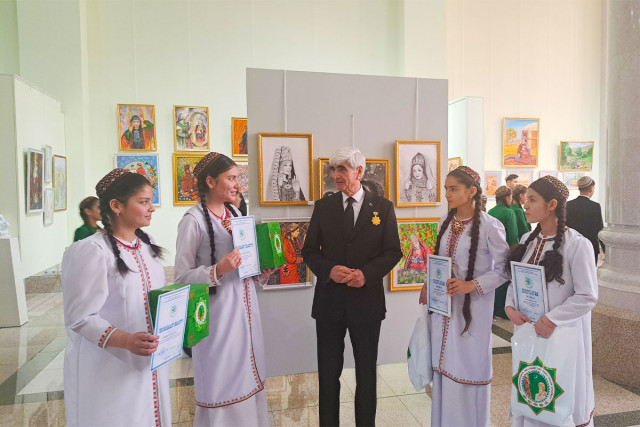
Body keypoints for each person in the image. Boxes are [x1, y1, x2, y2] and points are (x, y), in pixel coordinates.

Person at [61, 169, 171, 426]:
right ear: (116, 206)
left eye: (151, 201)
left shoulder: (147, 244)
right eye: (143, 202)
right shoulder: (91, 250)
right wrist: (126, 340)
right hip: (109, 364)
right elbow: (80, 318)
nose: (151, 208)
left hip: (148, 360)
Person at [174, 152, 276, 426]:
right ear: (210, 181)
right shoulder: (193, 220)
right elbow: (181, 278)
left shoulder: (235, 213)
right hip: (218, 317)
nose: (237, 184)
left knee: (249, 376)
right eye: (231, 178)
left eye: (237, 178)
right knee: (223, 382)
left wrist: (261, 274)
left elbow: (245, 265)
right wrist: (217, 270)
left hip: (246, 313)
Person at [302, 147, 402, 426]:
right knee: (328, 374)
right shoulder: (323, 207)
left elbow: (393, 252)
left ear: (359, 171)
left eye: (342, 169)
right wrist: (328, 270)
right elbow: (309, 251)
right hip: (329, 305)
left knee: (366, 373)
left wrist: (366, 274)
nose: (336, 175)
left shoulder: (383, 207)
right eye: (333, 169)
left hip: (366, 305)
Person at [418, 166, 510, 427]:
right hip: (444, 308)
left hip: (473, 311)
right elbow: (439, 262)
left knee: (467, 366)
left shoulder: (490, 226)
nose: (447, 194)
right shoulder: (445, 222)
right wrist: (428, 283)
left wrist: (472, 285)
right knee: (443, 366)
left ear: (471, 191)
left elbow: (504, 270)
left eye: (453, 189)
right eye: (446, 189)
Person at [505, 175, 597, 427]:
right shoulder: (527, 240)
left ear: (552, 205)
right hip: (528, 331)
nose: (525, 204)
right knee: (529, 393)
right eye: (526, 199)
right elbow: (515, 281)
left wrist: (551, 319)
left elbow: (587, 295)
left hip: (561, 335)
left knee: (558, 398)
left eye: (532, 200)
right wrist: (509, 307)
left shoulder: (577, 245)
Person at [566, 176, 604, 265]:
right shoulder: (595, 206)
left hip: (572, 246)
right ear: (591, 189)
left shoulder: (568, 205)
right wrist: (604, 248)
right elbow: (599, 228)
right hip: (591, 247)